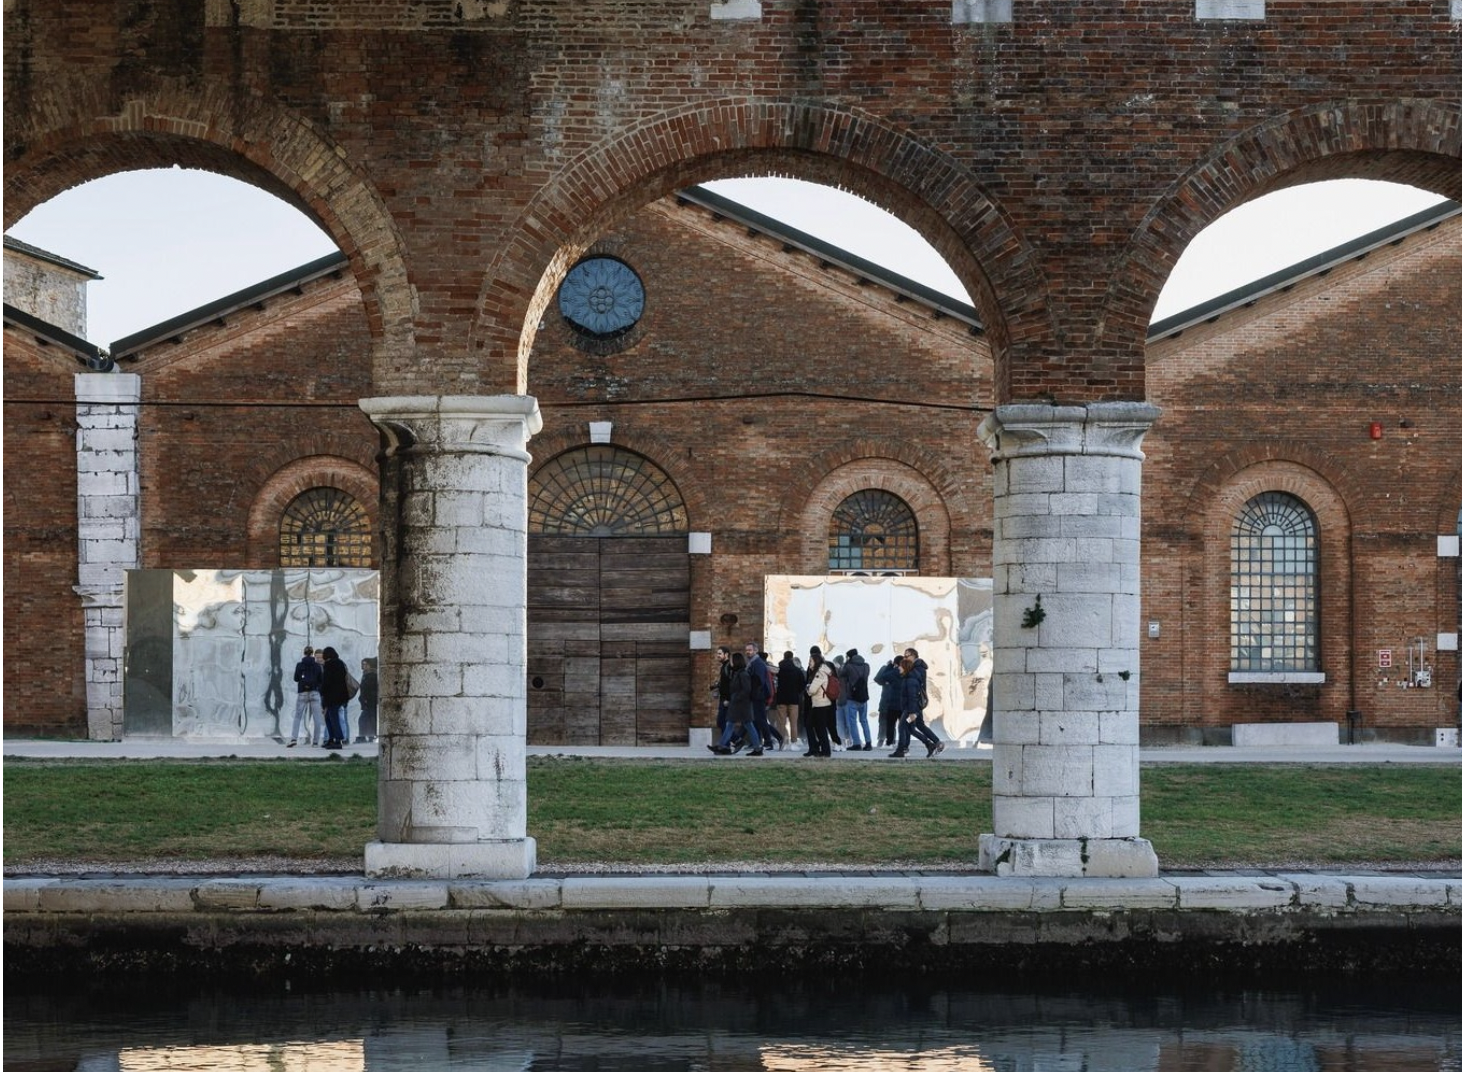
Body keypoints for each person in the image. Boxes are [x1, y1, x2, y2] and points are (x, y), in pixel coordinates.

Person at [892, 652, 944, 759]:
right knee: (911, 728)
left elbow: (912, 697)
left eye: (900, 667)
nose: (899, 669)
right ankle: (930, 744)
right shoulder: (909, 678)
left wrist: (912, 712)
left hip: (911, 710)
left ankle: (901, 750)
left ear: (905, 668)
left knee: (902, 727)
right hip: (914, 709)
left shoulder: (910, 680)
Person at [710, 652, 763, 756]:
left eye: (731, 660)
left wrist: (734, 698)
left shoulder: (743, 674)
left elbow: (746, 689)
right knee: (736, 725)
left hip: (741, 705)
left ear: (736, 661)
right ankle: (757, 748)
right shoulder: (738, 673)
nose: (730, 662)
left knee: (736, 724)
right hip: (739, 705)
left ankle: (722, 746)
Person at [744, 642, 783, 751]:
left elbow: (759, 681)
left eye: (750, 650)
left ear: (755, 651)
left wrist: (753, 692)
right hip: (756, 695)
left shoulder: (758, 663)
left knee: (760, 720)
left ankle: (772, 740)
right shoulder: (753, 662)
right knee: (757, 720)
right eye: (747, 650)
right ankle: (758, 742)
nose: (748, 652)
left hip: (758, 696)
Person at [287, 645, 323, 747]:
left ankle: (294, 739)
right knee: (317, 718)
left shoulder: (299, 665)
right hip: (314, 692)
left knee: (298, 717)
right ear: (312, 654)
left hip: (302, 692)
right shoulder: (317, 666)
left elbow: (296, 679)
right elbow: (321, 680)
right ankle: (315, 742)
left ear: (304, 653)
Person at [804, 646, 836, 758]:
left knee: (812, 726)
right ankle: (820, 749)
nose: (809, 663)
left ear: (816, 661)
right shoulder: (823, 670)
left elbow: (812, 689)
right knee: (818, 727)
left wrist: (808, 688)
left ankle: (819, 749)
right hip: (821, 703)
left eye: (810, 661)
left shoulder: (819, 673)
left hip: (820, 704)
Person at [841, 647, 872, 751]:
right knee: (864, 720)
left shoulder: (848, 666)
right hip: (864, 698)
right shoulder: (866, 666)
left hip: (852, 698)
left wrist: (846, 662)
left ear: (849, 657)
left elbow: (841, 673)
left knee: (853, 721)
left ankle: (857, 743)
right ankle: (868, 743)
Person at [319, 645, 350, 750]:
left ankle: (337, 740)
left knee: (333, 718)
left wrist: (321, 691)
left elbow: (326, 681)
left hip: (331, 696)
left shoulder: (329, 665)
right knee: (329, 717)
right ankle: (331, 739)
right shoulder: (341, 663)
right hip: (341, 695)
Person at [773, 650, 806, 747]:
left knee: (781, 723)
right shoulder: (797, 671)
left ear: (783, 657)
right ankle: (794, 742)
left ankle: (781, 742)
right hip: (794, 700)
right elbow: (802, 685)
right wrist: (797, 692)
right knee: (793, 722)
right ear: (792, 658)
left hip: (781, 699)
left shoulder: (779, 670)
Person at [874, 654, 902, 749]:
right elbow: (878, 679)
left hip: (889, 700)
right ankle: (886, 740)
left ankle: (889, 741)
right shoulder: (902, 672)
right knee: (887, 722)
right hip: (889, 701)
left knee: (889, 722)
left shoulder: (890, 670)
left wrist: (889, 666)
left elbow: (881, 677)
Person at [357, 657, 379, 743]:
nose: (363, 666)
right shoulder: (367, 674)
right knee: (369, 719)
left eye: (365, 664)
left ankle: (363, 736)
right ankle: (370, 736)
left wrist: (365, 699)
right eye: (363, 664)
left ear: (370, 665)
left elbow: (369, 689)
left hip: (369, 701)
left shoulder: (371, 675)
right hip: (368, 701)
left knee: (363, 719)